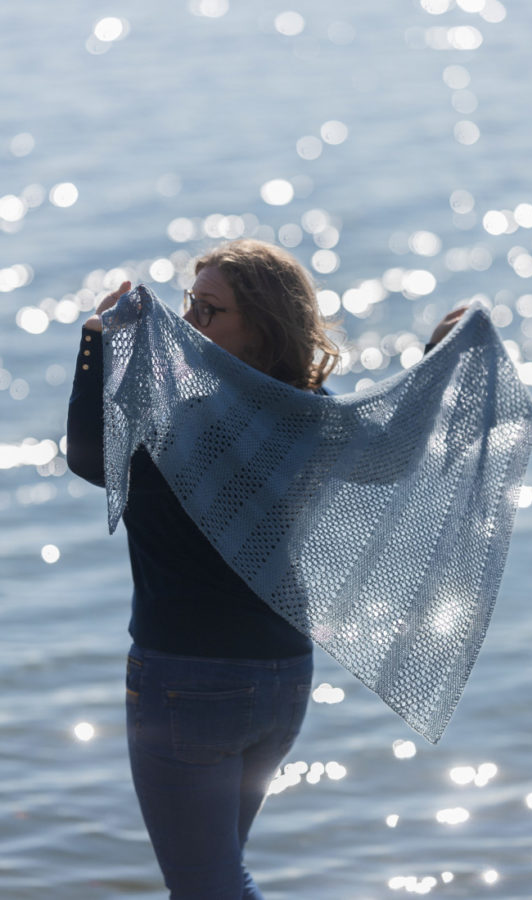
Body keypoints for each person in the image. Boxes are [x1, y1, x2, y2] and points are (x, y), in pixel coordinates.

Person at [67, 238, 465, 899]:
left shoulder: (184, 418)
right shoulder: (306, 411)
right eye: (190, 304)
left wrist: (94, 344)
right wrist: (435, 361)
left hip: (189, 683)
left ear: (260, 329)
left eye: (210, 310)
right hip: (280, 679)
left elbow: (89, 458)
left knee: (209, 887)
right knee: (217, 874)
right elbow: (389, 454)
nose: (189, 320)